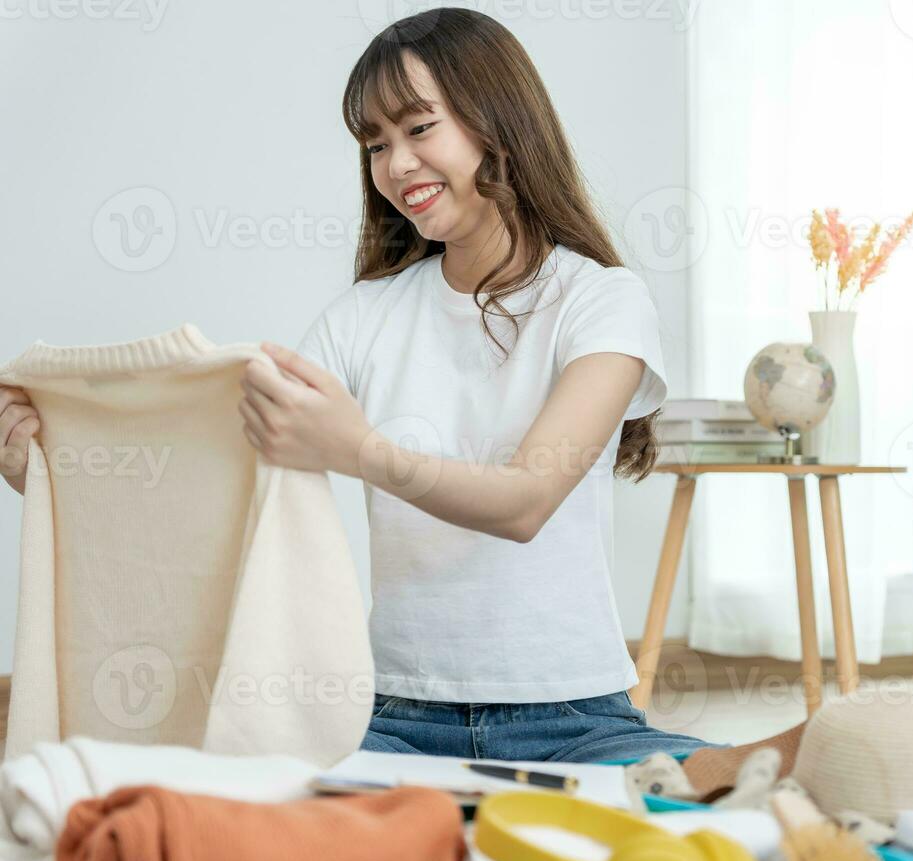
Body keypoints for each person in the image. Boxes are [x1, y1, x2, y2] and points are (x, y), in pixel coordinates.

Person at [0, 8, 713, 764]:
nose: (396, 164)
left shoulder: (602, 300)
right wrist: (53, 469)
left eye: (418, 128)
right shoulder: (364, 316)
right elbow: (214, 480)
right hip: (395, 716)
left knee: (714, 821)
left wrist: (361, 450)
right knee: (258, 842)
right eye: (376, 144)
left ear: (498, 123)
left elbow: (525, 501)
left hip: (571, 716)